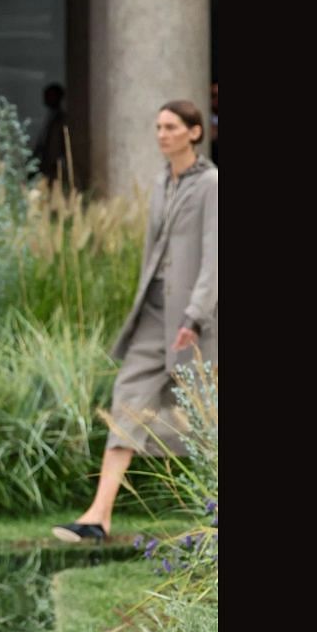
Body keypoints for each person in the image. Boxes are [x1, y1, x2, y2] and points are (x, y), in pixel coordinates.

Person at [53, 99, 218, 544]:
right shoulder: (162, 182)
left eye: (171, 127)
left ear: (194, 133)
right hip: (152, 315)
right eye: (158, 127)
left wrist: (196, 316)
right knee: (127, 399)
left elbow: (214, 256)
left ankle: (213, 518)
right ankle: (98, 517)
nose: (162, 134)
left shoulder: (212, 185)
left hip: (192, 320)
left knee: (206, 418)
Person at [33, 83, 71, 191]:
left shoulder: (61, 119)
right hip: (46, 164)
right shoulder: (50, 117)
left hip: (54, 165)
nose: (45, 98)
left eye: (49, 95)